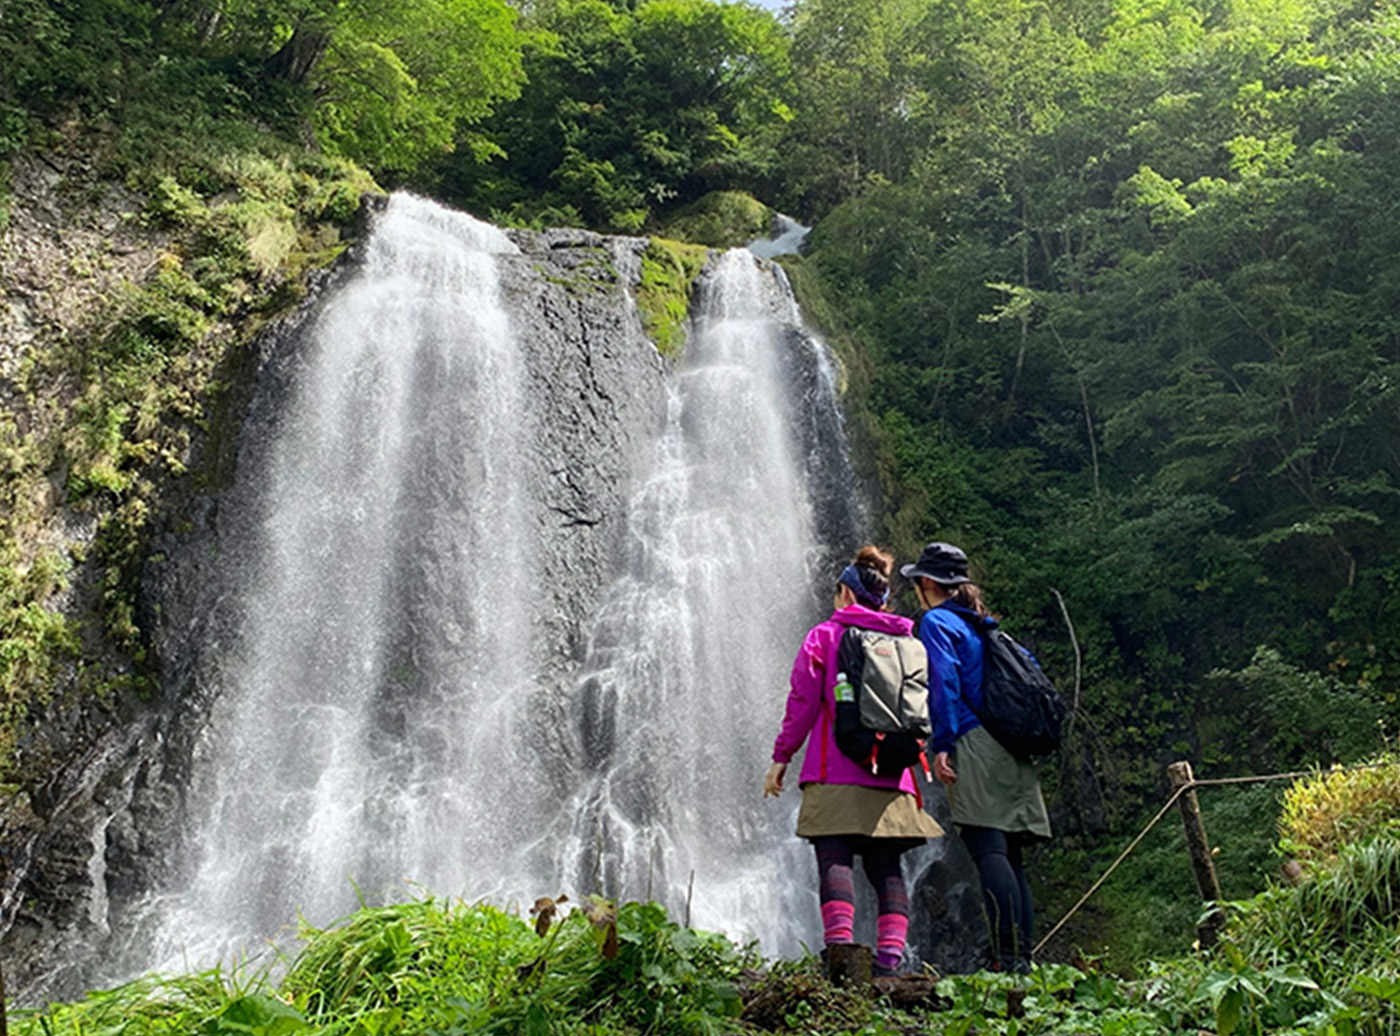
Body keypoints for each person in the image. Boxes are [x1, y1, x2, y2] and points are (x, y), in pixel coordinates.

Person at [764, 545, 943, 978]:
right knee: (887, 868)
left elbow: (803, 702)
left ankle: (842, 959)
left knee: (835, 858)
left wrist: (781, 757)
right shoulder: (907, 640)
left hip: (835, 770)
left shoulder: (825, 636)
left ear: (845, 592)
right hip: (894, 775)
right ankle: (888, 966)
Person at [902, 541, 1051, 974]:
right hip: (1011, 746)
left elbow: (944, 680)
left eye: (917, 582)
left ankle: (1008, 960)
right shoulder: (987, 627)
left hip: (974, 741)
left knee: (988, 848)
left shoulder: (936, 622)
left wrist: (942, 743)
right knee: (1010, 855)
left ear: (929, 583)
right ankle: (1022, 957)